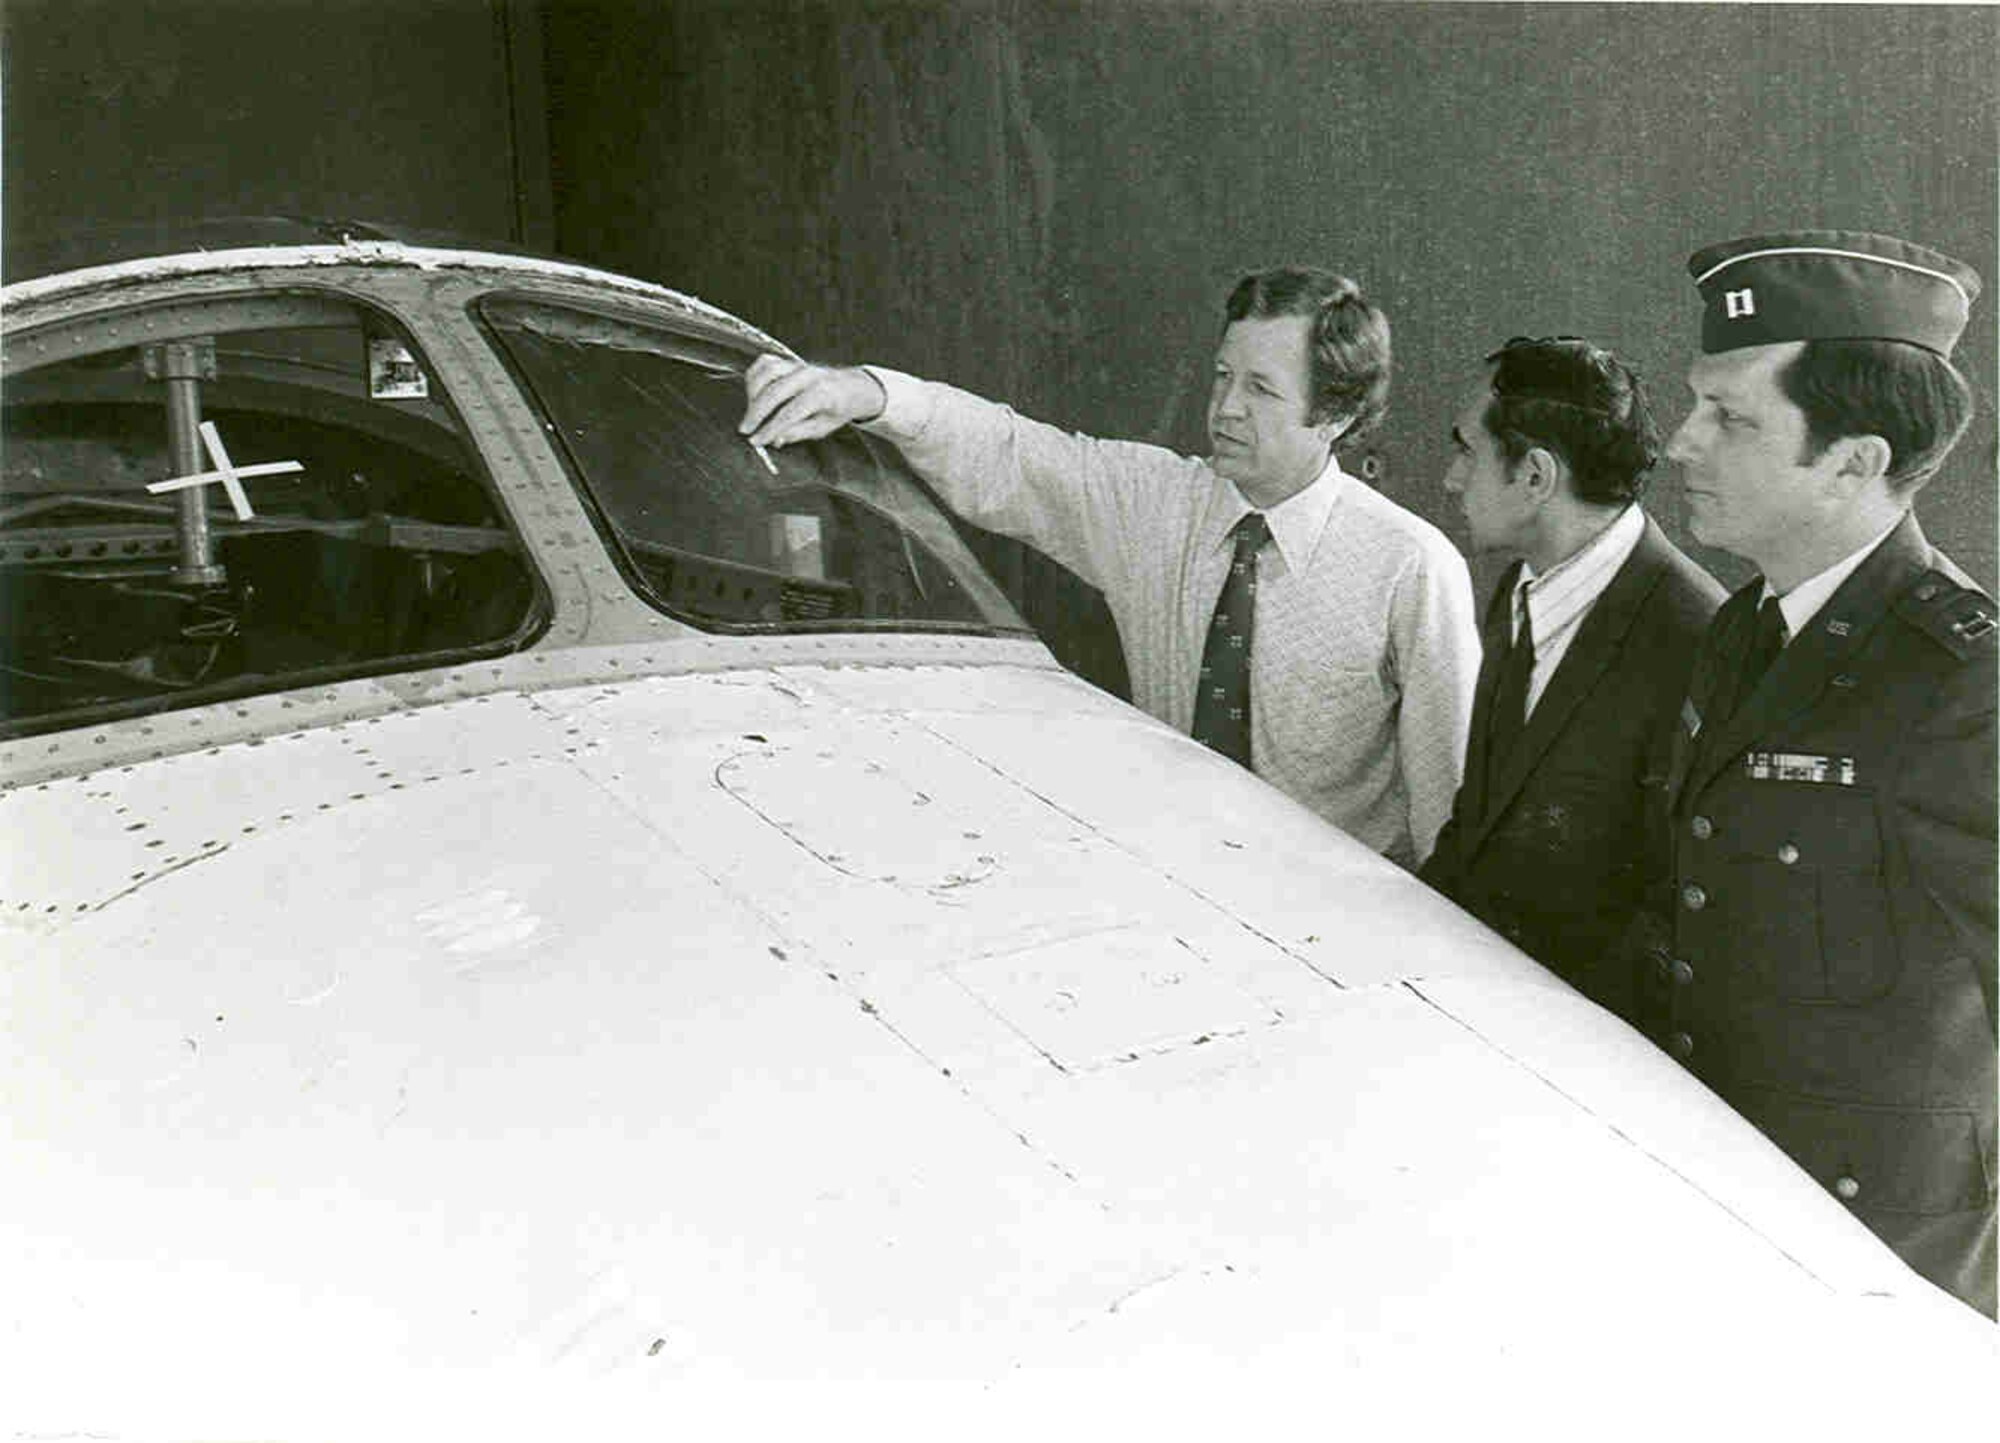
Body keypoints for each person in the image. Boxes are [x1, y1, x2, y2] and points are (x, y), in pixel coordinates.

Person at [739, 267, 1480, 867]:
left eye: (1260, 389)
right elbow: (1013, 455)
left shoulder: (1409, 568)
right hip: (1171, 883)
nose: (1224, 407)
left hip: (1337, 922)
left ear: (1336, 415)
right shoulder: (1156, 504)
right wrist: (868, 393)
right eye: (1223, 376)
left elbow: (1447, 809)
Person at [1642, 229, 1995, 1316]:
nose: (1675, 443)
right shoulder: (1746, 624)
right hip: (1727, 1200)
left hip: (1878, 1261)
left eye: (1729, 417)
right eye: (1693, 403)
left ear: (1854, 462)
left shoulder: (1960, 682)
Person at [1420, 337, 1724, 1016]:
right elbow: (1479, 825)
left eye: (1467, 450)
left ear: (1535, 477)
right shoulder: (1522, 589)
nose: (1450, 477)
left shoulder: (1699, 640)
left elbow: (1678, 919)